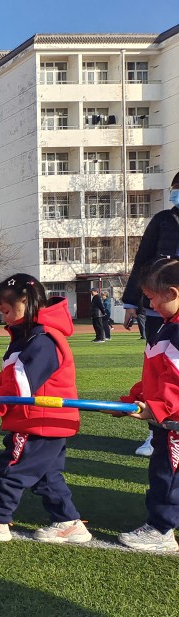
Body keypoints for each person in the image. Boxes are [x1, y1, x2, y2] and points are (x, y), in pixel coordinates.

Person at [0, 274, 90, 544]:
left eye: (6, 311)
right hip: (42, 420)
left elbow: (22, 383)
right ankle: (69, 522)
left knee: (13, 468)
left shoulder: (43, 339)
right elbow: (9, 376)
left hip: (38, 420)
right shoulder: (28, 336)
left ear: (25, 301)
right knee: (46, 476)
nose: (3, 318)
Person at [118, 258, 179, 552]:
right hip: (165, 420)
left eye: (153, 298)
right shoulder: (167, 327)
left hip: (173, 422)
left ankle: (161, 530)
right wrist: (133, 399)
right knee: (163, 472)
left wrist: (157, 407)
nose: (150, 305)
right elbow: (155, 375)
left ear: (172, 293)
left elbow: (176, 380)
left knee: (168, 476)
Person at [121, 172, 179, 457]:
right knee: (158, 365)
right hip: (162, 303)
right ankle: (156, 427)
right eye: (175, 189)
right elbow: (142, 259)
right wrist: (131, 301)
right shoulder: (164, 221)